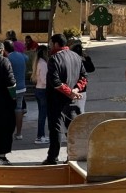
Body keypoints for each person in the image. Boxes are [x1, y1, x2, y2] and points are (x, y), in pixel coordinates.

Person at [43, 33, 87, 165]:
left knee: (56, 128)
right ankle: (73, 156)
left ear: (56, 44)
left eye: (51, 44)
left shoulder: (54, 59)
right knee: (72, 128)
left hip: (56, 99)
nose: (50, 46)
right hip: (73, 100)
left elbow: (55, 82)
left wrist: (69, 92)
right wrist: (75, 90)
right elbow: (84, 77)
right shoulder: (76, 56)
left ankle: (53, 157)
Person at [4, 39, 27, 140]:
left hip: (11, 88)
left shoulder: (7, 59)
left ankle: (8, 132)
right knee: (19, 109)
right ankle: (19, 133)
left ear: (4, 49)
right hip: (22, 87)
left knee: (8, 110)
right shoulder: (22, 56)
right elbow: (27, 58)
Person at [70, 41, 94, 113]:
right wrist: (87, 57)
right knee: (81, 110)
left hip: (71, 89)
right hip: (81, 89)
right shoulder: (82, 62)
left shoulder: (69, 62)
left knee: (71, 110)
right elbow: (92, 68)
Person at [32, 45, 49, 144]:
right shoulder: (43, 64)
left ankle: (41, 135)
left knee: (42, 114)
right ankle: (40, 136)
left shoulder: (38, 62)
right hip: (43, 90)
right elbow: (44, 80)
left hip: (39, 89)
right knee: (43, 115)